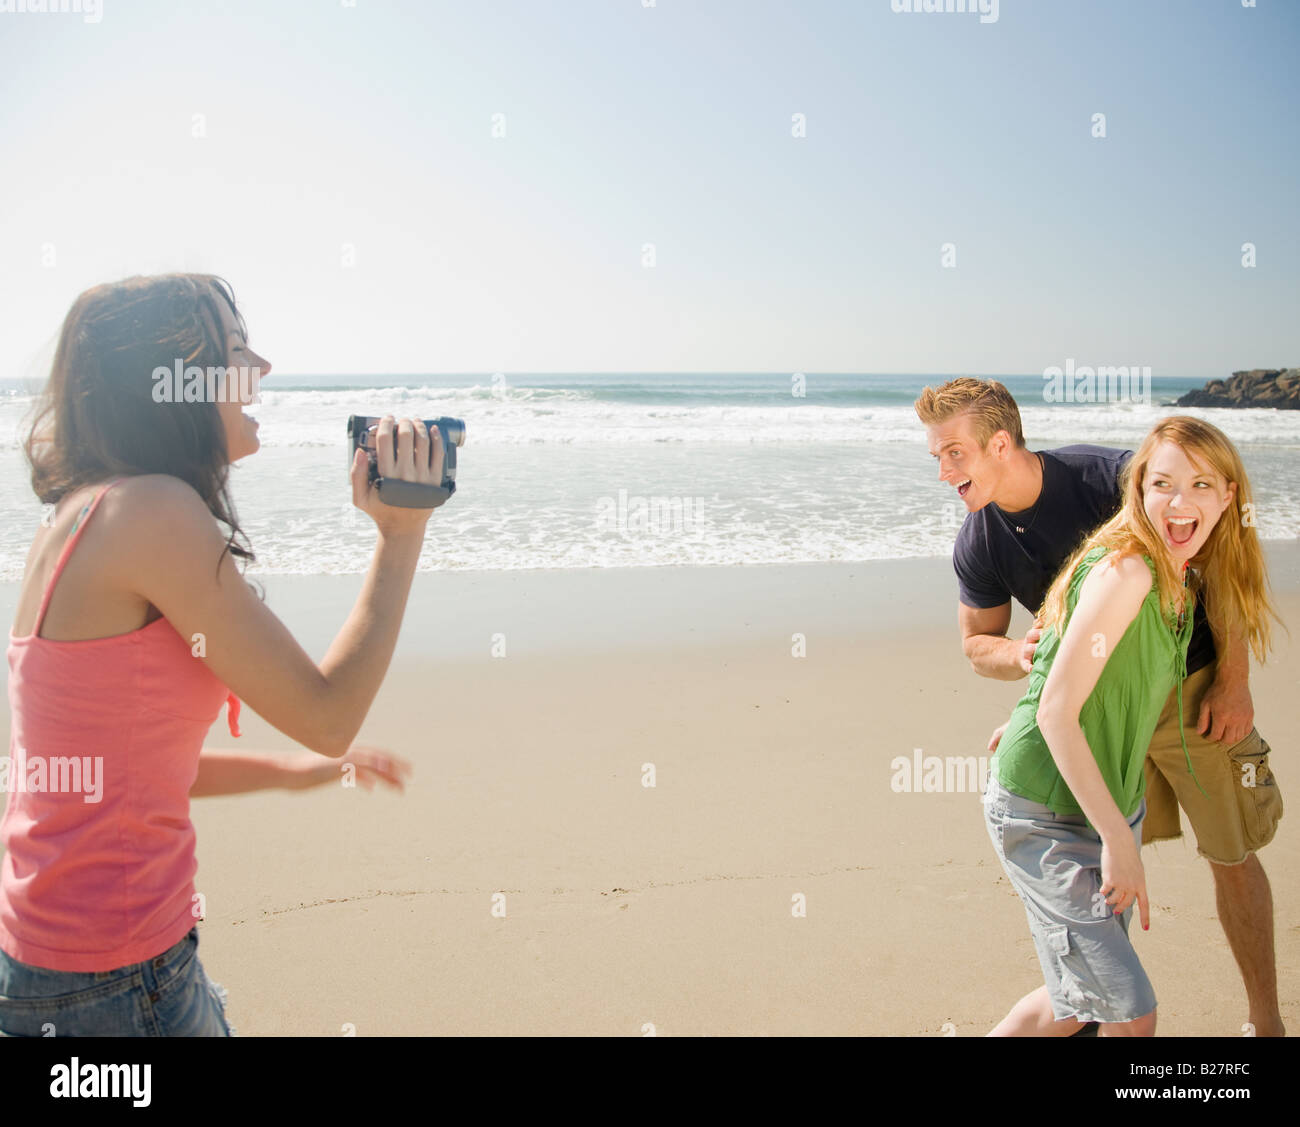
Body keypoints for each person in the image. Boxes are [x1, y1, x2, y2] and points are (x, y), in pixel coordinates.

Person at [0, 274, 434, 1036]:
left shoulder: (78, 516)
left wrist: (298, 772)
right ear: (168, 380)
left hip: (62, 969)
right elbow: (328, 711)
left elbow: (124, 769)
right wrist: (401, 535)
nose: (261, 366)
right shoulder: (153, 513)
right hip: (115, 984)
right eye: (236, 348)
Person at [916, 379, 1283, 1034]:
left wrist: (1233, 679)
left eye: (953, 454)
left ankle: (1266, 1023)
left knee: (1230, 854)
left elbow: (1215, 552)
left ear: (999, 444)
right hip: (1082, 725)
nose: (943, 473)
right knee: (1111, 986)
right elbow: (980, 645)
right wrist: (1035, 672)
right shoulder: (988, 542)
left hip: (1187, 685)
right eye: (936, 456)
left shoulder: (1115, 480)